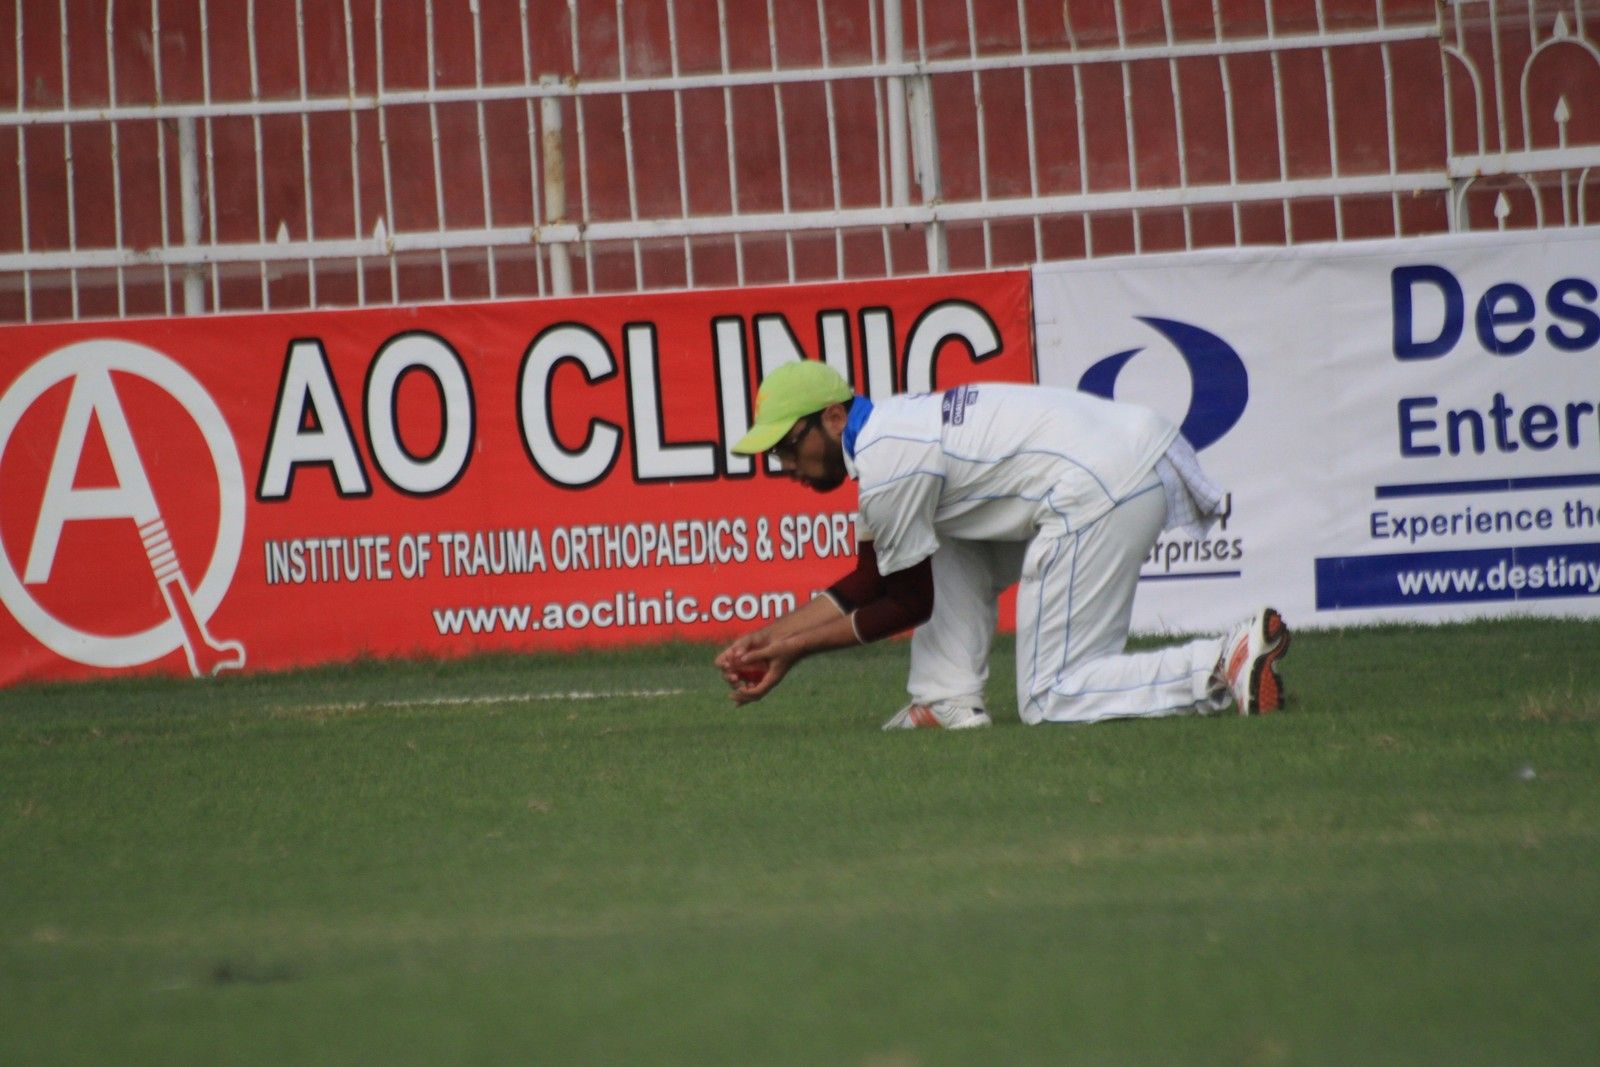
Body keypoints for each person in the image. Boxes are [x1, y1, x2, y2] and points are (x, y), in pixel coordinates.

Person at [714, 360, 1290, 729]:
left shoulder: (889, 463)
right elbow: (869, 581)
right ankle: (944, 700)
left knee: (1051, 697)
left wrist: (795, 651)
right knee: (941, 534)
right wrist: (773, 637)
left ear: (834, 417)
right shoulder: (885, 438)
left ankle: (1220, 663)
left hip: (1101, 484)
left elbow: (909, 603)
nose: (785, 465)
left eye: (788, 446)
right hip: (1121, 460)